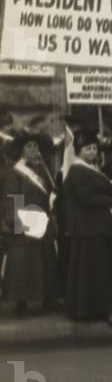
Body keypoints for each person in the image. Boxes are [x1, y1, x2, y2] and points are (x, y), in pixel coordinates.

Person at [64, 130, 112, 327]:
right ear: (79, 152)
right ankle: (95, 309)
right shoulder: (77, 170)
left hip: (97, 226)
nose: (92, 152)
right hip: (88, 227)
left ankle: (94, 308)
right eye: (87, 149)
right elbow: (85, 197)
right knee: (94, 270)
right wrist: (111, 201)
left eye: (94, 149)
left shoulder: (92, 169)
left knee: (97, 270)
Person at [0, 130, 57, 317]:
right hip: (25, 219)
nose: (34, 150)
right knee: (23, 263)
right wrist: (16, 222)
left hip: (43, 219)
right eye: (29, 147)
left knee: (46, 259)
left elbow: (48, 192)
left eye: (36, 146)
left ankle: (48, 298)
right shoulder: (15, 172)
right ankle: (21, 302)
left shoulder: (43, 170)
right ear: (22, 151)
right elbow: (12, 197)